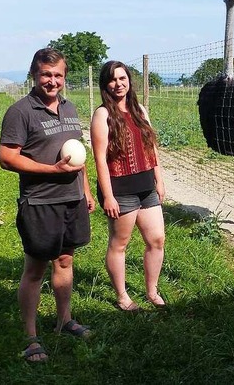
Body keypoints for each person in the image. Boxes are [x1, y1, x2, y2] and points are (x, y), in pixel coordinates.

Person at [0, 48, 96, 363]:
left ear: (64, 77)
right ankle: (30, 337)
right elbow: (7, 158)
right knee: (35, 268)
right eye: (46, 74)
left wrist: (86, 189)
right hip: (39, 201)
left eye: (57, 75)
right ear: (34, 75)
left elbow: (77, 155)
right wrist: (51, 171)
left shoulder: (70, 108)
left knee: (65, 260)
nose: (52, 81)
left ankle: (64, 320)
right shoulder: (21, 111)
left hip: (72, 200)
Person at [90, 60, 166, 312]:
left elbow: (151, 147)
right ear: (106, 85)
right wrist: (108, 196)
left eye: (122, 78)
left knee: (157, 239)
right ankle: (122, 296)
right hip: (120, 189)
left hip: (146, 186)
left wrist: (159, 179)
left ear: (129, 81)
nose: (118, 84)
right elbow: (99, 158)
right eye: (112, 80)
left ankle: (152, 291)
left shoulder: (140, 110)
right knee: (119, 243)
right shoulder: (102, 114)